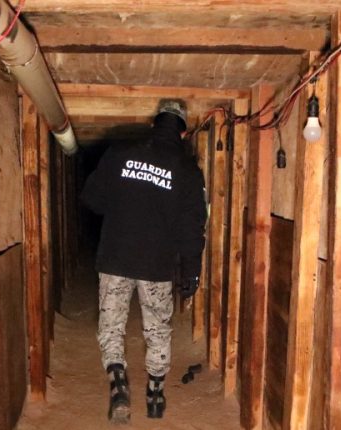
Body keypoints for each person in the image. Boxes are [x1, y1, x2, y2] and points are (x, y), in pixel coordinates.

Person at [81, 99, 207, 423]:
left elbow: (91, 198)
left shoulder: (121, 153)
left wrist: (124, 199)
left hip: (115, 259)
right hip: (156, 267)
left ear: (154, 123)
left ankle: (118, 382)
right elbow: (192, 229)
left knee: (111, 326)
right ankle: (154, 393)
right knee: (157, 328)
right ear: (183, 133)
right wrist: (191, 273)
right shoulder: (188, 172)